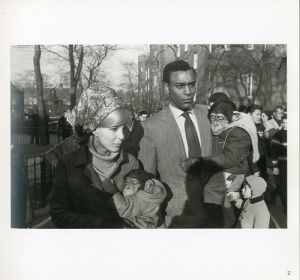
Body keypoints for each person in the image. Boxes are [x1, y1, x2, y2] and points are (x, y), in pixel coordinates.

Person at [50, 86, 140, 228]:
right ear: (93, 128)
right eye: (113, 129)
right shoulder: (68, 164)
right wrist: (100, 225)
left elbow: (139, 211)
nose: (122, 136)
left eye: (124, 128)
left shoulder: (131, 163)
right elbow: (59, 214)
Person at [138, 60, 212, 228]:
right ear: (166, 88)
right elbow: (148, 181)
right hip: (178, 218)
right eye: (180, 86)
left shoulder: (209, 116)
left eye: (191, 85)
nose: (188, 92)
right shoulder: (151, 127)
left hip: (216, 213)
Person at [181, 100, 259, 228]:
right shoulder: (225, 127)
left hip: (234, 172)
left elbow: (229, 158)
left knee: (212, 194)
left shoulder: (239, 131)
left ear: (232, 118)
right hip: (224, 171)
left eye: (220, 119)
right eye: (213, 118)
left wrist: (198, 162)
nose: (215, 122)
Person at [270, 113, 287, 214]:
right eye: (284, 122)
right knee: (284, 186)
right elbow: (273, 152)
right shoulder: (278, 135)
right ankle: (286, 205)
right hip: (283, 165)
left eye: (287, 123)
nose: (285, 124)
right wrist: (275, 166)